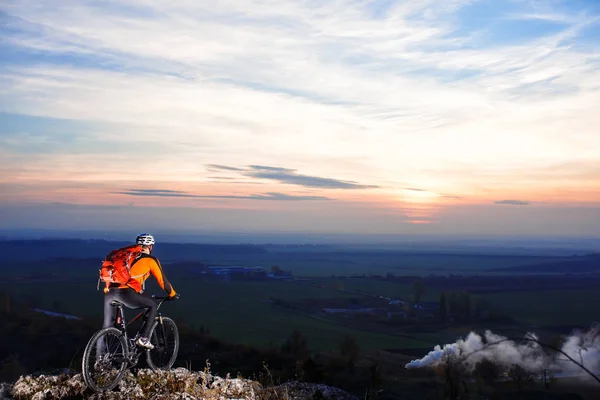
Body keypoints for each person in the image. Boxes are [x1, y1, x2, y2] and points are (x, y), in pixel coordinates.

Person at [102, 233, 178, 349]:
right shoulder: (150, 260)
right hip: (126, 293)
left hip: (110, 292)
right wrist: (172, 294)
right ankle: (144, 338)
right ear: (151, 247)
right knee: (152, 305)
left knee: (107, 328)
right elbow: (163, 281)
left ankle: (100, 359)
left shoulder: (126, 257)